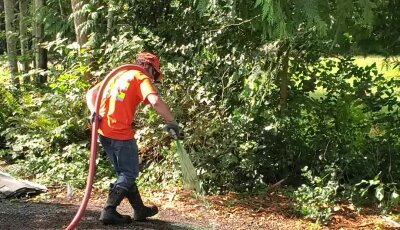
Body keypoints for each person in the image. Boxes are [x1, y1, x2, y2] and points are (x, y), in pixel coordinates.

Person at [86, 52, 179, 225]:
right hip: (120, 133)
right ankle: (109, 210)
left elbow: (91, 93)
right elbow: (155, 101)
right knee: (129, 173)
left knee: (124, 173)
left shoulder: (119, 75)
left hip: (104, 132)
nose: (153, 78)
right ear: (148, 67)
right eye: (155, 73)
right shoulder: (139, 77)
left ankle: (139, 209)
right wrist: (172, 122)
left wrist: (94, 111)